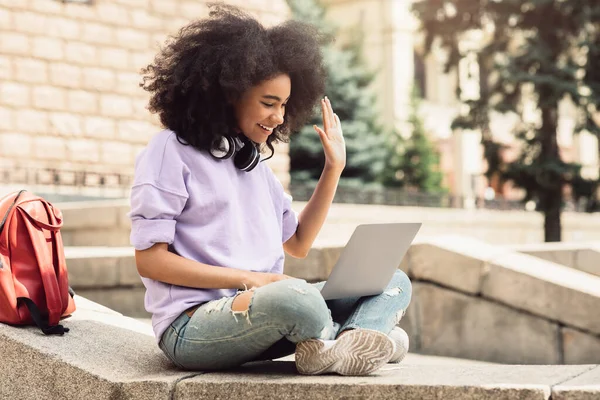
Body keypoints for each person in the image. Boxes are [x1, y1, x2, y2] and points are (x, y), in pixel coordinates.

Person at [129, 4, 412, 376]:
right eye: (268, 103)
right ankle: (366, 337)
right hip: (194, 324)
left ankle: (346, 343)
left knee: (391, 280)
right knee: (299, 302)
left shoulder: (254, 165)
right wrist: (255, 281)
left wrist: (333, 169)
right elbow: (150, 260)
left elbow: (297, 243)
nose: (279, 117)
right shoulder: (170, 150)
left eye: (284, 105)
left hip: (267, 307)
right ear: (229, 94)